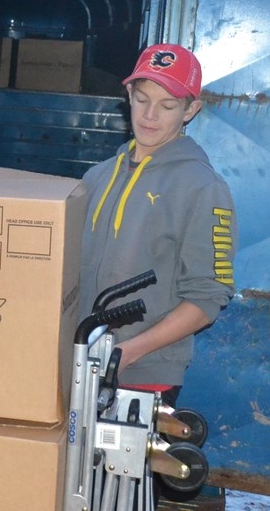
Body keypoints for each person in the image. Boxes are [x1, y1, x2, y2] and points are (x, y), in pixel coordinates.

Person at [79, 43, 237, 408]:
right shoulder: (96, 177)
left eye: (167, 106)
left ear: (190, 111)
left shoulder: (203, 187)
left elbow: (209, 296)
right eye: (142, 99)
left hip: (146, 374)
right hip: (80, 365)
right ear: (128, 95)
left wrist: (130, 351)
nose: (150, 116)